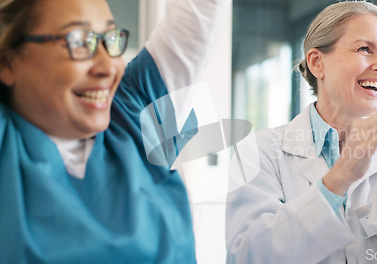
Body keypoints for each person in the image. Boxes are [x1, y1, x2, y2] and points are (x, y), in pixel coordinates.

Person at [225, 1, 377, 263]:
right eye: (365, 49)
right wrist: (339, 179)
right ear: (317, 63)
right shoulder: (259, 151)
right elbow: (248, 257)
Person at [0, 0, 226, 262]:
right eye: (80, 42)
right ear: (6, 63)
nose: (108, 67)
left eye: (110, 39)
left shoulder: (137, 111)